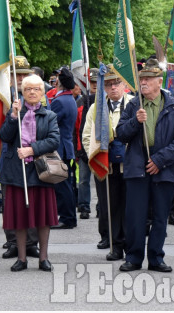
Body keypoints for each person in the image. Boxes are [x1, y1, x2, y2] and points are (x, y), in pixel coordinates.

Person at [115, 58, 174, 272]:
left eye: (148, 79)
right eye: (141, 79)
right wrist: (134, 122)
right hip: (137, 168)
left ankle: (156, 258)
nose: (143, 83)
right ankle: (133, 257)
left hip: (164, 169)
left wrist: (160, 160)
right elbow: (120, 134)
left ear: (159, 82)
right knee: (135, 216)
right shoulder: (133, 105)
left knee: (160, 216)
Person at [0, 74, 60, 272]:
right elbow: (4, 137)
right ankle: (22, 258)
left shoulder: (49, 116)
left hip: (41, 172)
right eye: (27, 89)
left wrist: (31, 149)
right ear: (22, 92)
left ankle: (43, 258)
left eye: (36, 89)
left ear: (42, 92)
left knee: (42, 217)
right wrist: (13, 116)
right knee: (20, 218)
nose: (32, 92)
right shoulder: (15, 112)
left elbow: (54, 140)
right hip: (18, 173)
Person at [82, 65, 133, 261]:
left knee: (130, 207)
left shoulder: (133, 104)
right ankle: (115, 246)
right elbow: (87, 136)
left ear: (124, 85)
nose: (113, 88)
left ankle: (131, 246)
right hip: (106, 165)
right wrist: (94, 155)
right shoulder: (96, 107)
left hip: (129, 165)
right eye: (109, 84)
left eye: (116, 83)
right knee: (110, 208)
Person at [49, 67, 78, 230]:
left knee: (62, 185)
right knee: (65, 184)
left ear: (60, 82)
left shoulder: (60, 101)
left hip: (60, 148)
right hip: (65, 147)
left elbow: (50, 122)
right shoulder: (68, 98)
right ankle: (69, 216)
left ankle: (67, 218)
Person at [74, 68, 98, 220]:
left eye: (97, 82)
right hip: (83, 147)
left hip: (100, 148)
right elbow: (76, 128)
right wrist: (78, 150)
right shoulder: (82, 101)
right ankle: (84, 206)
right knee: (83, 180)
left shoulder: (105, 100)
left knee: (101, 179)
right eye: (92, 82)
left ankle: (102, 207)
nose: (95, 85)